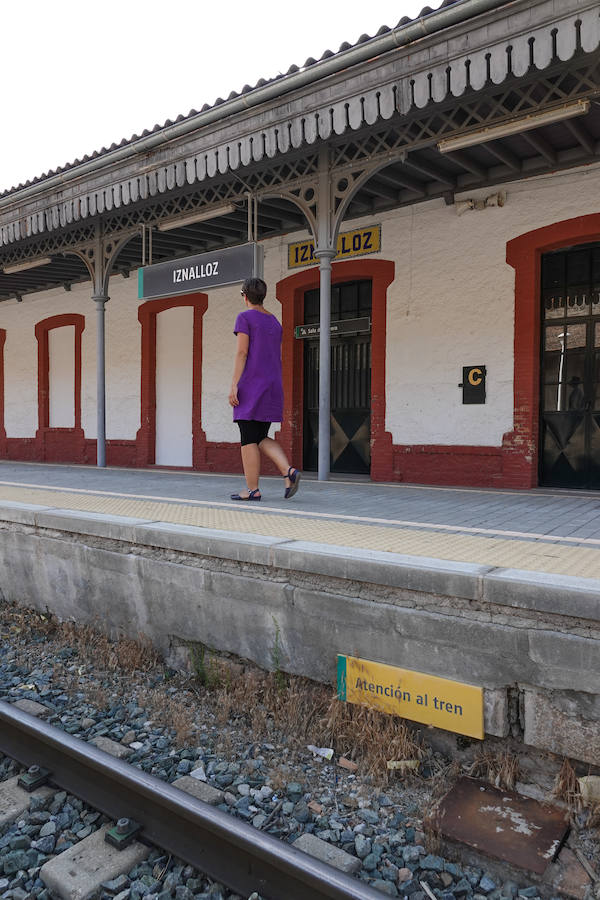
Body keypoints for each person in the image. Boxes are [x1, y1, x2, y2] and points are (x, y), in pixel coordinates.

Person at [228, 277, 301, 501]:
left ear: (245, 296)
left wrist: (234, 385)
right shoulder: (274, 321)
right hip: (272, 385)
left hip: (252, 384)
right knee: (260, 435)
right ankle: (288, 471)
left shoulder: (245, 317)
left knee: (248, 438)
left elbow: (242, 353)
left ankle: (252, 490)